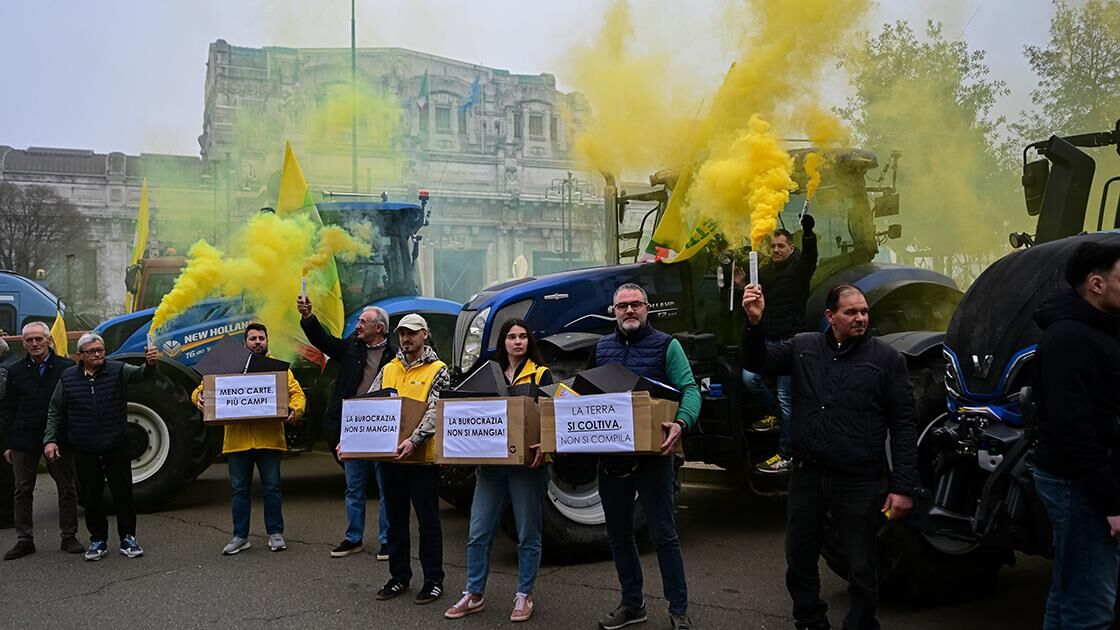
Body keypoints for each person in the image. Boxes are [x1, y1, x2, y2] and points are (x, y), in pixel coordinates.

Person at [741, 282, 917, 630]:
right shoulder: (804, 347)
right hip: (808, 473)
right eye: (851, 312)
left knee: (861, 561)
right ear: (830, 316)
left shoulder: (887, 360)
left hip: (858, 478)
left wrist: (903, 487)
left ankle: (861, 622)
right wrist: (754, 323)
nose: (860, 318)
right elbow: (757, 361)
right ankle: (809, 619)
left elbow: (903, 424)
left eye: (864, 311)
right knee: (799, 554)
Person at [587, 283, 701, 630]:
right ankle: (632, 604)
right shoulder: (601, 348)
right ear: (614, 312)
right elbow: (583, 395)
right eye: (622, 306)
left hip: (655, 458)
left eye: (635, 304)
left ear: (647, 308)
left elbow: (690, 389)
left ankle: (678, 609)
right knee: (619, 536)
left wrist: (682, 422)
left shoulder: (667, 345)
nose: (629, 311)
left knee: (664, 534)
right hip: (612, 460)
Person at [1032, 241, 1120, 629]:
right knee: (1090, 608)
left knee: (1069, 589)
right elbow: (1075, 429)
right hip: (1079, 487)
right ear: (1096, 284)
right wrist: (1110, 503)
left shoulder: (1099, 329)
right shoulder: (1070, 339)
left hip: (1081, 482)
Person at [444, 318, 552, 623]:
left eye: (522, 336)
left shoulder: (540, 373)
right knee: (478, 532)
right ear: (502, 342)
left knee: (527, 532)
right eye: (511, 337)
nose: (517, 342)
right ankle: (474, 593)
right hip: (492, 468)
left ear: (529, 341)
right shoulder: (487, 373)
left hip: (526, 468)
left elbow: (553, 414)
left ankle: (524, 594)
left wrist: (546, 445)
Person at [43, 333, 160, 561]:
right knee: (91, 495)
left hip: (116, 443)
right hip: (84, 446)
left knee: (123, 492)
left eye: (100, 350)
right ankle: (98, 540)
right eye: (92, 352)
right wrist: (50, 439)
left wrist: (151, 364)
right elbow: (55, 410)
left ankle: (128, 537)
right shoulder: (67, 378)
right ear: (81, 355)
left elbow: (141, 375)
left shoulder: (118, 370)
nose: (98, 354)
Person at [191, 323, 306, 555]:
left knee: (272, 488)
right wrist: (198, 396)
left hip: (269, 440)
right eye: (253, 338)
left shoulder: (278, 368)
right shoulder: (229, 364)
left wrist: (296, 409)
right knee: (239, 490)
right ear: (244, 343)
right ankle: (240, 536)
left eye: (261, 338)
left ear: (267, 341)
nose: (257, 342)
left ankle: (275, 533)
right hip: (237, 442)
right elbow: (203, 387)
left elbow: (296, 393)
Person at [298, 297, 395, 561]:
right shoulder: (350, 347)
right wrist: (308, 317)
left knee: (386, 488)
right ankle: (353, 538)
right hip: (354, 429)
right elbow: (323, 341)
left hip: (382, 429)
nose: (358, 325)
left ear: (379, 328)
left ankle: (388, 541)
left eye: (364, 322)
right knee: (354, 487)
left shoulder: (395, 355)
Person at [369, 313, 449, 606]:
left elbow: (435, 410)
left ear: (425, 335)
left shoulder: (439, 369)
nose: (406, 338)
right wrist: (351, 441)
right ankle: (399, 576)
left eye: (412, 333)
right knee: (396, 522)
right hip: (392, 460)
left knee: (428, 523)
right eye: (402, 333)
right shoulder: (388, 368)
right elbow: (370, 405)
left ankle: (433, 580)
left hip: (422, 461)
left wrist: (414, 441)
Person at [737, 215, 818, 475]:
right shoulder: (765, 271)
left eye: (781, 246)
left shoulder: (800, 268)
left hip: (789, 339)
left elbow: (811, 257)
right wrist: (741, 285)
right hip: (769, 338)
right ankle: (774, 415)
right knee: (749, 378)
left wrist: (808, 233)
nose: (776, 250)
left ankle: (785, 455)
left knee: (786, 399)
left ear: (791, 248)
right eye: (772, 246)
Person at [2, 322, 80, 560]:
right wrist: (8, 443)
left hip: (58, 438)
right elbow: (8, 408)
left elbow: (73, 405)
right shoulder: (16, 371)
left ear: (48, 340)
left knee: (66, 488)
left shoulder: (67, 368)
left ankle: (69, 536)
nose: (34, 344)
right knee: (22, 490)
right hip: (24, 438)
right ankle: (24, 540)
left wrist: (71, 436)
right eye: (29, 340)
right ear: (23, 344)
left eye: (38, 339)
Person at [0, 337, 22, 531]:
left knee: (5, 473)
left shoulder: (4, 369)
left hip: (5, 427)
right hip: (11, 425)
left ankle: (6, 515)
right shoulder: (14, 361)